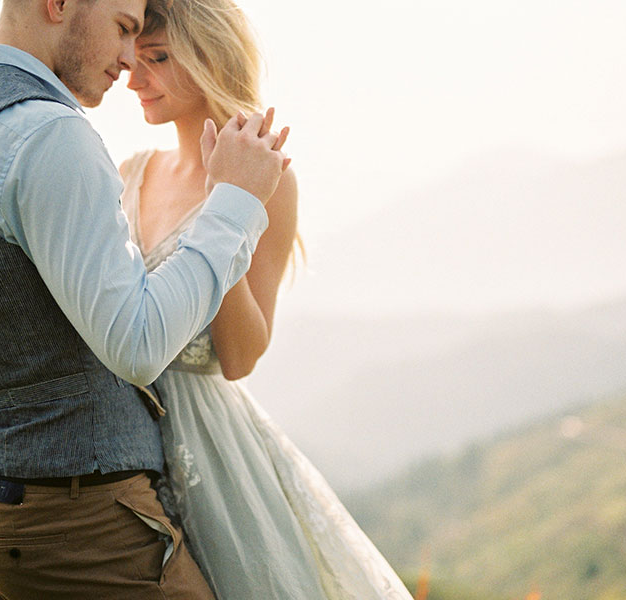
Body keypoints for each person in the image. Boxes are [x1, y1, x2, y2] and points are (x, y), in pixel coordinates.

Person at [0, 0, 291, 597]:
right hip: (72, 510)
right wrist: (229, 204)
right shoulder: (48, 133)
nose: (129, 64)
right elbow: (137, 345)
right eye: (125, 29)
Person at [121, 2, 414, 598]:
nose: (134, 78)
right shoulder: (128, 172)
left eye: (156, 59)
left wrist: (223, 204)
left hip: (208, 451)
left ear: (208, 60)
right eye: (134, 58)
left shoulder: (270, 177)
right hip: (110, 443)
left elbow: (241, 357)